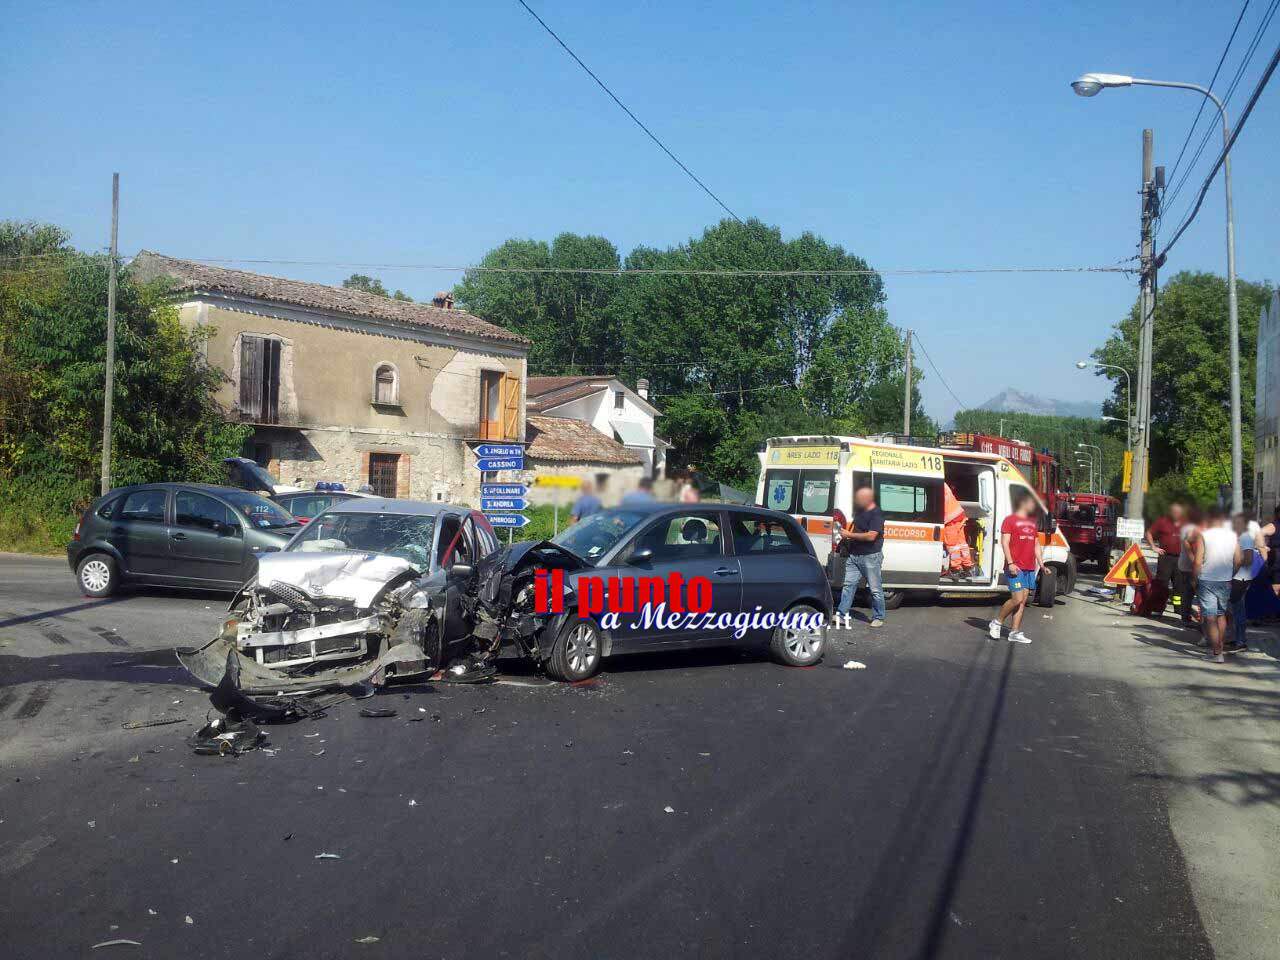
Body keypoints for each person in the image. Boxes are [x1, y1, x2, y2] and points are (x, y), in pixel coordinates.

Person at [989, 490, 1042, 644]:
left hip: (1029, 567)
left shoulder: (1032, 522)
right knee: (1017, 599)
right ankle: (997, 622)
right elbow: (1004, 542)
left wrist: (1041, 563)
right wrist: (1011, 563)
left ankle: (1014, 632)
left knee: (1023, 601)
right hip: (1015, 567)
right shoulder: (1010, 520)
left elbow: (1036, 544)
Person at [1194, 505, 1240, 664]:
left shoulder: (1204, 535)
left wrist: (1194, 578)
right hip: (1225, 581)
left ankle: (1217, 652)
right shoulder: (1233, 536)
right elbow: (1239, 560)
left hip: (1207, 579)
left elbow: (1198, 561)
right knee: (1221, 614)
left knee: (1210, 617)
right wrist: (1231, 573)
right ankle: (1219, 647)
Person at [835, 486, 886, 627]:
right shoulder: (860, 512)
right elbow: (856, 528)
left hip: (870, 556)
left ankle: (879, 617)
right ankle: (841, 614)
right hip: (854, 555)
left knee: (875, 588)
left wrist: (849, 535)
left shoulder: (877, 514)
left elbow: (871, 536)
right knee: (848, 585)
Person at [1227, 511, 1256, 653]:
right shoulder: (1240, 537)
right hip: (1238, 577)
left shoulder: (1245, 538)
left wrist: (1234, 567)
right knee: (1234, 609)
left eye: (1237, 523)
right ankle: (1237, 638)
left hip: (1240, 578)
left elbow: (1249, 559)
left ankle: (1241, 641)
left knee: (1238, 610)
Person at [1146, 502, 1184, 591]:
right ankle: (1159, 603)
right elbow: (1149, 532)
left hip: (1181, 558)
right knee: (1161, 583)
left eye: (1178, 512)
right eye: (1174, 512)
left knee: (1179, 585)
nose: (1176, 514)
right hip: (1166, 557)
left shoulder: (1185, 523)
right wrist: (1153, 547)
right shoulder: (1162, 521)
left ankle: (1178, 605)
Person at [1175, 507, 1201, 626]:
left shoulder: (1188, 526)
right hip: (1189, 566)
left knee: (1189, 592)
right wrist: (1194, 559)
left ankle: (1186, 616)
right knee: (1190, 592)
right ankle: (1186, 617)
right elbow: (1186, 542)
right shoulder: (1191, 528)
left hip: (1188, 564)